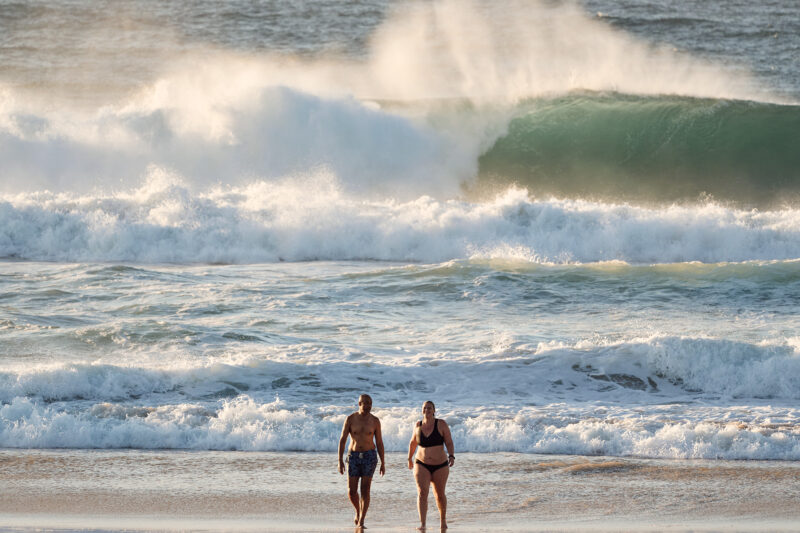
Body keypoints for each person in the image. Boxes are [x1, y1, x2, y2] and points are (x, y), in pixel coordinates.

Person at [338, 394, 386, 529]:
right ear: (359, 404)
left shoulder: (375, 421)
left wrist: (383, 462)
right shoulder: (350, 419)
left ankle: (362, 520)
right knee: (351, 491)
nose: (367, 406)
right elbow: (342, 440)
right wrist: (340, 461)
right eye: (364, 403)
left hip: (369, 456)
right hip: (353, 456)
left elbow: (380, 443)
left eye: (369, 403)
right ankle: (358, 511)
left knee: (365, 490)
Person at [407, 400, 455, 530]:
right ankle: (423, 524)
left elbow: (449, 442)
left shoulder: (441, 424)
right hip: (421, 463)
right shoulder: (418, 425)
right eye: (424, 408)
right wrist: (409, 458)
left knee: (439, 494)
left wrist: (451, 455)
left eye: (429, 408)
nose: (427, 410)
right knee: (422, 492)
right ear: (422, 410)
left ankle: (443, 521)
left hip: (440, 465)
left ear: (434, 410)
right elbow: (413, 443)